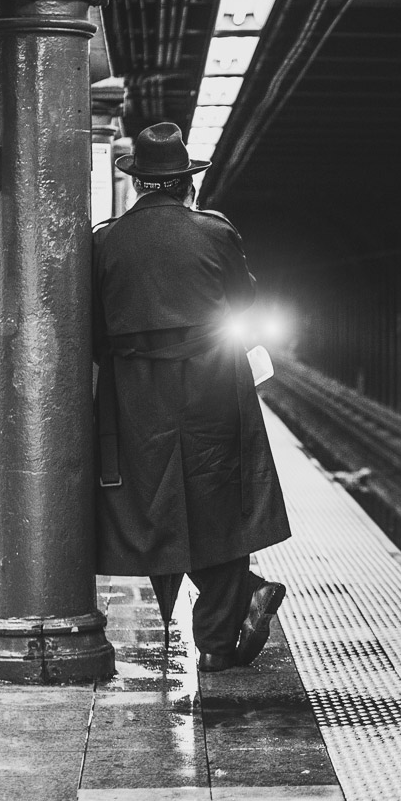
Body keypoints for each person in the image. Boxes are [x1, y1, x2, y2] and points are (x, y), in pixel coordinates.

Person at [92, 122, 292, 671]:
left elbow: (92, 328)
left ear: (137, 186)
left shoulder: (104, 240)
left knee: (151, 504)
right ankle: (220, 632)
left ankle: (228, 619)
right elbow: (243, 297)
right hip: (211, 384)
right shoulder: (214, 230)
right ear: (187, 184)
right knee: (218, 498)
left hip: (135, 396)